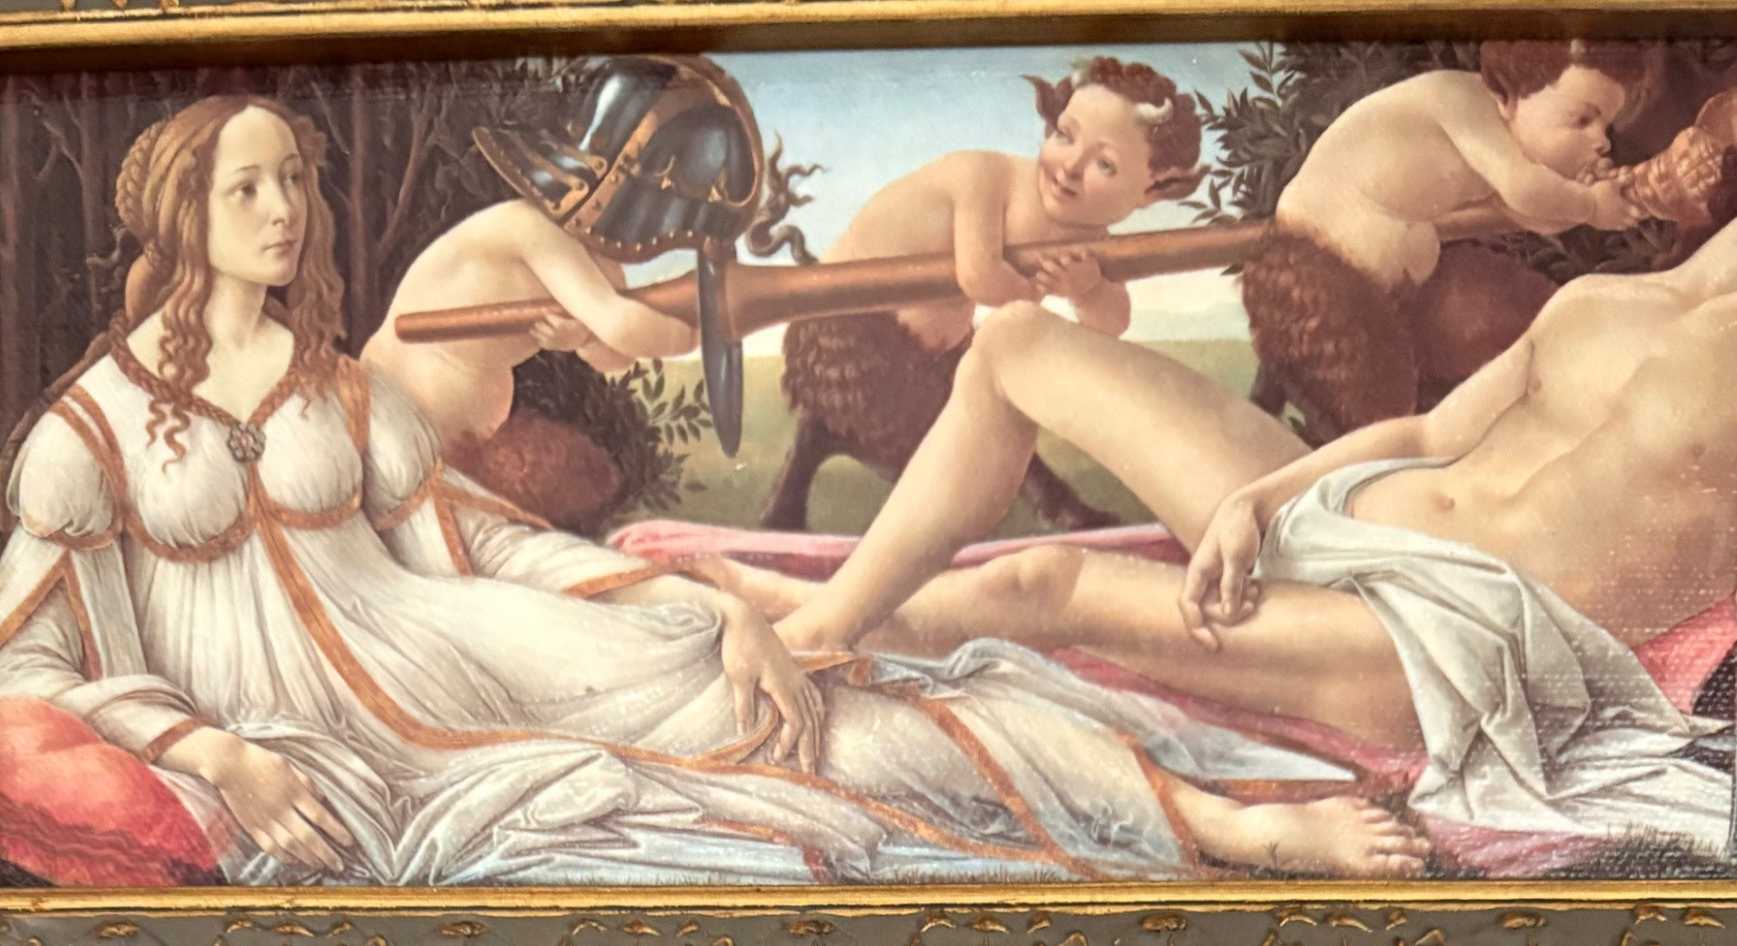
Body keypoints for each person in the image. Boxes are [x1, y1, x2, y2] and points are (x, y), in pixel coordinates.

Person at [0, 96, 1426, 890]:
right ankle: (1199, 824)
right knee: (750, 773)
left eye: (292, 179)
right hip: (330, 735)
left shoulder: (334, 389)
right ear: (178, 212)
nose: (286, 211)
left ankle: (1215, 821)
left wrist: (698, 600)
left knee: (808, 695)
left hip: (463, 638)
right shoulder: (89, 431)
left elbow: (474, 550)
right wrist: (217, 755)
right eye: (248, 188)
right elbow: (26, 664)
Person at [732, 235, 1737, 860]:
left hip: (1437, 638)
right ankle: (803, 617)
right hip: (1344, 515)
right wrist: (1254, 502)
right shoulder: (1614, 300)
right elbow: (1433, 433)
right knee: (1014, 344)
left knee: (1044, 582)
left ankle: (790, 627)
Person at [761, 57, 1205, 533]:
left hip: (928, 356)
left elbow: (1112, 321)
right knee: (960, 437)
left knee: (988, 410)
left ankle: (1053, 507)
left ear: (1152, 190)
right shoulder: (984, 178)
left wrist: (1090, 288)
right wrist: (1034, 293)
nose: (1070, 167)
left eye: (1105, 164)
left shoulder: (1087, 228)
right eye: (1065, 135)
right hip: (845, 334)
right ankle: (917, 532)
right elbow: (979, 277)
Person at [363, 56, 763, 526]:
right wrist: (690, 336)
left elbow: (615, 356)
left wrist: (584, 338)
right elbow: (622, 325)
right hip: (402, 407)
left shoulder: (597, 260)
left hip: (453, 441)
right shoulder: (532, 230)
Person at [1244, 41, 1650, 441]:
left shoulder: (1497, 150)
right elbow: (1525, 189)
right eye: (1582, 120)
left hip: (1369, 291)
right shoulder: (1463, 103)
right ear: (1507, 97)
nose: (1602, 141)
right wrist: (1590, 206)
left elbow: (1530, 215)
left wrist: (1579, 198)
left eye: (1605, 126)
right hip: (1316, 281)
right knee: (1379, 426)